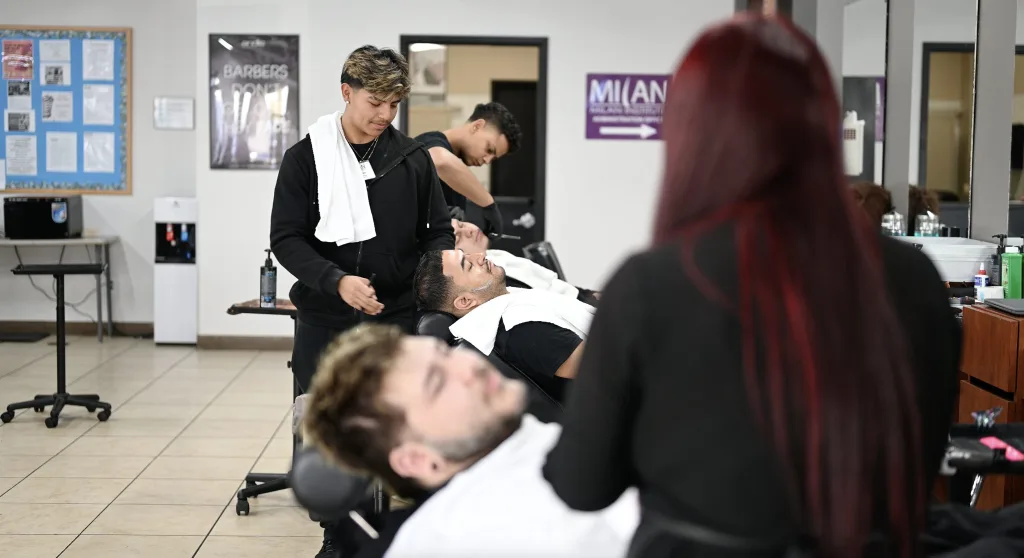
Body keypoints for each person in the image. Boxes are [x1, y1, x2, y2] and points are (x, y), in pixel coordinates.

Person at [543, 14, 960, 558]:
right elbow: (919, 467)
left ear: (692, 135)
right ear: (820, 128)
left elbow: (582, 485)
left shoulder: (650, 286)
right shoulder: (913, 279)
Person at [269, 44, 453, 558]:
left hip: (394, 317)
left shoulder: (411, 159)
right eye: (375, 101)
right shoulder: (306, 158)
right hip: (326, 316)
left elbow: (438, 233)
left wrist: (420, 285)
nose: (384, 115)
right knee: (332, 430)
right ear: (347, 92)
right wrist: (336, 280)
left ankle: (393, 530)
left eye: (393, 105)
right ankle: (337, 535)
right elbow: (286, 239)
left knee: (389, 429)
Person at [301, 324, 640, 558]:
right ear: (418, 459)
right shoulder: (476, 536)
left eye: (445, 354)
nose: (470, 366)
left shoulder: (524, 443)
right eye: (437, 383)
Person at [414, 249, 591, 398]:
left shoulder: (510, 303)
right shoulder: (519, 327)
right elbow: (596, 366)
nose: (480, 256)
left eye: (468, 255)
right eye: (469, 266)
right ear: (466, 301)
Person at [415, 102, 523, 235]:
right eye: (489, 149)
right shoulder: (429, 142)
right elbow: (440, 161)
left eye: (493, 158)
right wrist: (489, 204)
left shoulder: (458, 180)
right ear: (477, 126)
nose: (487, 160)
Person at [453, 218, 601, 304]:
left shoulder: (494, 255)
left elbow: (557, 286)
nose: (469, 230)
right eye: (458, 237)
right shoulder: (493, 276)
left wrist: (589, 295)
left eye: (461, 224)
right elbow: (551, 302)